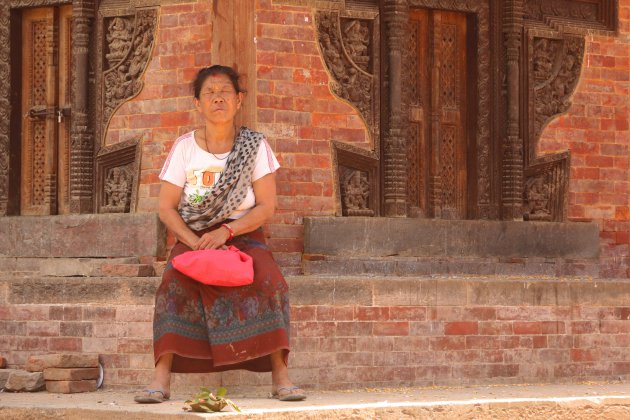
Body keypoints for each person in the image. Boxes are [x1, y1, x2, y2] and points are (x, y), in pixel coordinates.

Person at [134, 65, 305, 403]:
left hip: (242, 234)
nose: (218, 98)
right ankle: (160, 379)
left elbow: (266, 206)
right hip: (194, 235)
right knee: (172, 285)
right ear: (197, 103)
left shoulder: (254, 146)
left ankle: (281, 377)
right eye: (209, 93)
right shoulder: (184, 148)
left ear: (238, 100)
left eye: (225, 91)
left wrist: (228, 231)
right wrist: (194, 241)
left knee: (271, 282)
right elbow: (166, 207)